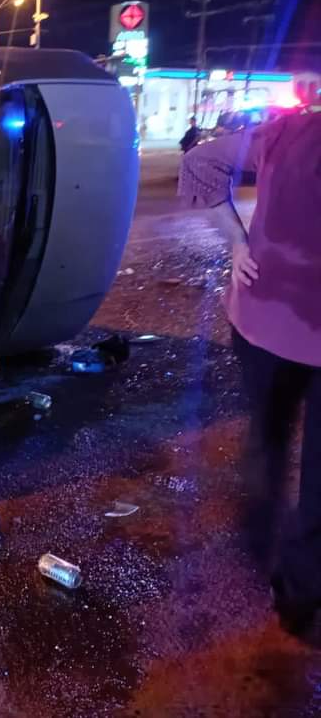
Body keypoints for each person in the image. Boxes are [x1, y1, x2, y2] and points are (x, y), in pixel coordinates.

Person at [178, 110, 321, 635]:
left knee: (269, 434)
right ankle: (298, 598)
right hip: (274, 324)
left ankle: (260, 543)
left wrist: (239, 241)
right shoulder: (287, 129)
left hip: (264, 318)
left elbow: (200, 163)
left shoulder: (288, 130)